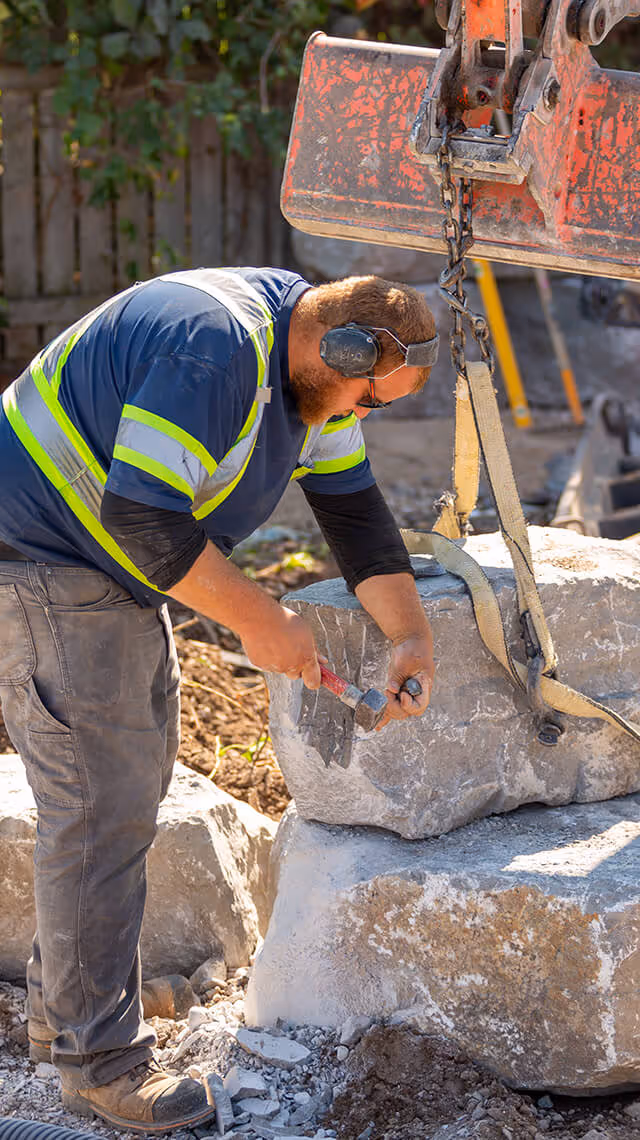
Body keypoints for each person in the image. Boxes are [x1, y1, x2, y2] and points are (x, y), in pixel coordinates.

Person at [0, 266, 437, 1133]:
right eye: (368, 397)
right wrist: (262, 619)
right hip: (47, 552)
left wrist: (411, 637)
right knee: (100, 806)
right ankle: (99, 1066)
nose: (364, 415)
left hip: (102, 562)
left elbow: (353, 515)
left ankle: (65, 1009)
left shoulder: (316, 384)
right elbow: (142, 517)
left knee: (124, 786)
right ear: (335, 349)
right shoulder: (215, 350)